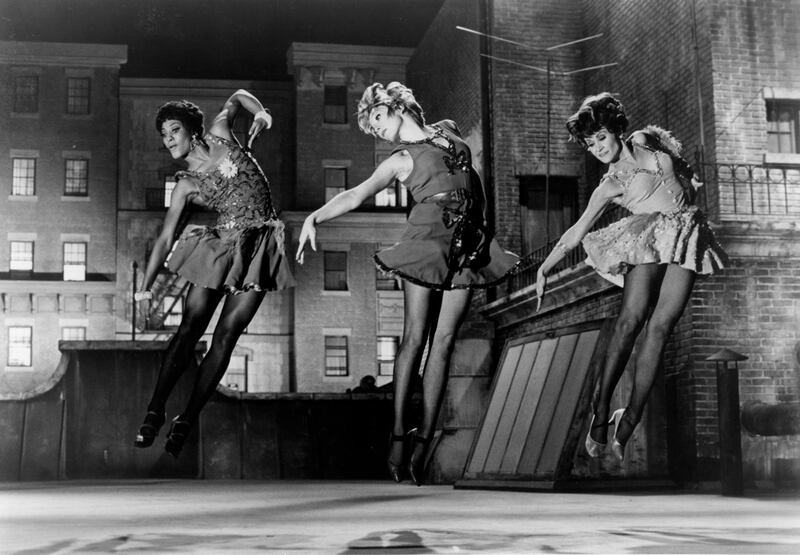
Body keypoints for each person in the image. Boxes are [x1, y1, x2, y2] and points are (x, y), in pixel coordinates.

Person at [295, 82, 519, 485]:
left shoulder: (448, 130)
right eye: (368, 127)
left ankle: (425, 439)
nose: (374, 128)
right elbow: (355, 193)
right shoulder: (400, 159)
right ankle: (399, 434)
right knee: (415, 338)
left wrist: (483, 228)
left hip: (466, 243)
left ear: (395, 106)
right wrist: (314, 217)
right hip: (425, 241)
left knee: (445, 342)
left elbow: (475, 179)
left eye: (376, 118)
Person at [535, 93, 726, 462]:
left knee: (661, 328)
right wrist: (546, 267)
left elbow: (680, 168)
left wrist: (690, 182)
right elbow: (576, 231)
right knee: (630, 321)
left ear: (616, 130)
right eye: (589, 145)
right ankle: (602, 409)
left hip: (686, 233)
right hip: (650, 240)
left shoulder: (645, 140)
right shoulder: (609, 184)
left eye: (601, 138)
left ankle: (631, 416)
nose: (597, 149)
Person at [133, 90, 295, 458]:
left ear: (193, 130)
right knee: (190, 328)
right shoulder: (187, 186)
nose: (168, 139)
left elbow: (238, 96)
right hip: (221, 247)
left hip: (260, 247)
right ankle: (154, 410)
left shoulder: (222, 132)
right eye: (163, 134)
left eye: (174, 130)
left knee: (227, 336)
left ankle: (186, 419)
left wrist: (263, 112)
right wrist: (145, 288)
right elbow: (165, 237)